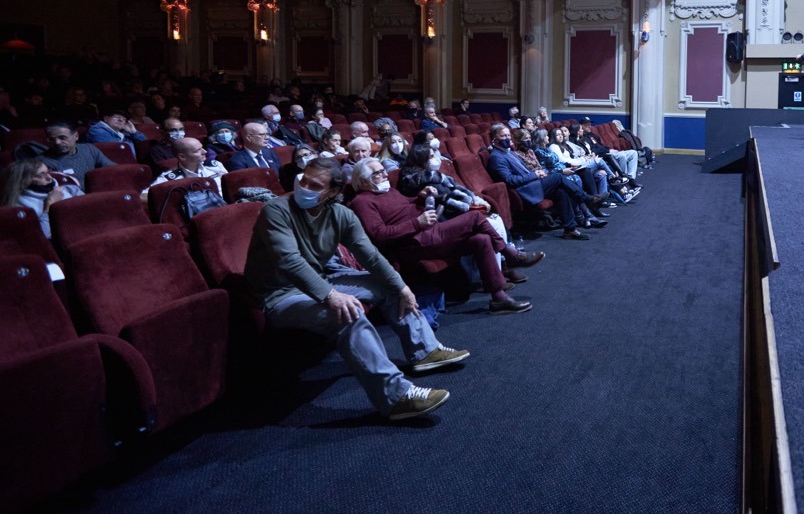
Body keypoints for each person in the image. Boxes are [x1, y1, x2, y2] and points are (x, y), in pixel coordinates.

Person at [244, 157, 467, 420]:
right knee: (348, 312)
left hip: (319, 281)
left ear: (334, 192)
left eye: (315, 185)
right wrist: (330, 295)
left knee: (389, 285)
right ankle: (395, 397)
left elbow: (370, 256)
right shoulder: (276, 210)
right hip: (281, 294)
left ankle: (424, 351)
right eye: (304, 180)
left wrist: (403, 287)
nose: (303, 188)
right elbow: (289, 261)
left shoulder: (340, 214)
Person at [348, 159, 539, 315]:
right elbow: (379, 234)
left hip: (429, 234)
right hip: (413, 244)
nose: (384, 175)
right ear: (363, 181)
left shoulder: (388, 190)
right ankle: (510, 254)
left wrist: (420, 197)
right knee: (474, 217)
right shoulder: (361, 202)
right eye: (378, 173)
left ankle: (499, 298)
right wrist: (417, 223)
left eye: (383, 171)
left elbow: (405, 206)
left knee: (481, 240)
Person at [487, 124, 590, 240]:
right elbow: (510, 180)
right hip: (525, 190)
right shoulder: (496, 157)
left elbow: (524, 171)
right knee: (558, 177)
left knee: (560, 192)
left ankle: (570, 229)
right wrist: (534, 174)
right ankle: (586, 198)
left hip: (533, 184)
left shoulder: (508, 152)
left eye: (508, 135)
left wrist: (539, 173)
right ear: (495, 139)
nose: (507, 138)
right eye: (503, 136)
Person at [1, 158, 85, 238]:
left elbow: (88, 209)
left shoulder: (66, 188)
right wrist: (50, 205)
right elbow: (43, 235)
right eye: (41, 175)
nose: (49, 178)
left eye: (48, 172)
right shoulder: (19, 208)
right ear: (24, 180)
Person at [147, 137, 228, 198]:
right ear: (182, 157)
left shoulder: (216, 165)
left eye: (202, 147)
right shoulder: (169, 178)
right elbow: (144, 196)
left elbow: (229, 187)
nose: (205, 151)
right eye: (198, 150)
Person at [40, 121, 113, 186]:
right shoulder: (43, 162)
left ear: (76, 136)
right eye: (51, 139)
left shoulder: (89, 149)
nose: (57, 142)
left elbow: (111, 168)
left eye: (62, 138)